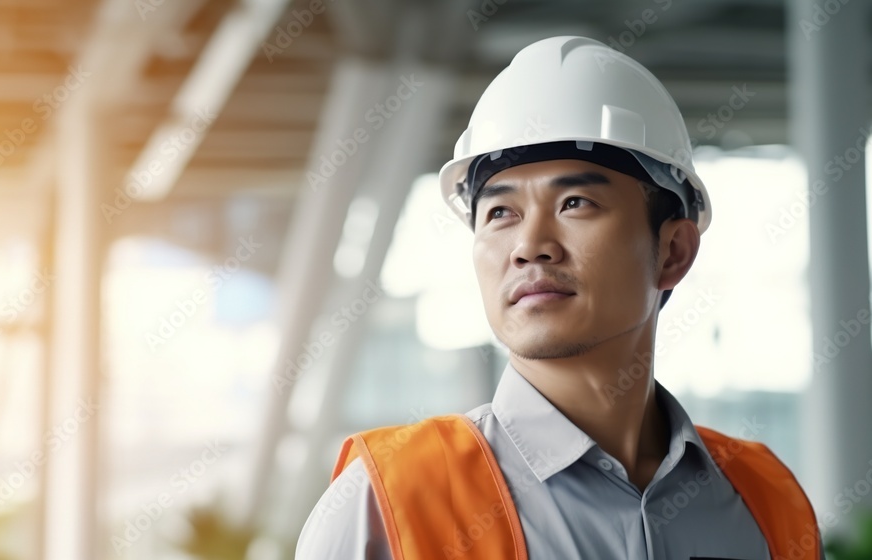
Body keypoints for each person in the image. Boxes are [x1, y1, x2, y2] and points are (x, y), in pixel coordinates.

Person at [296, 35, 824, 560]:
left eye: (575, 202)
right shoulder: (387, 502)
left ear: (673, 252)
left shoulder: (765, 498)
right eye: (501, 212)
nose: (529, 247)